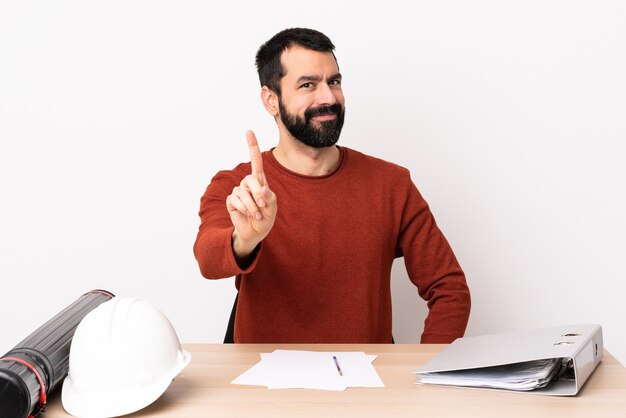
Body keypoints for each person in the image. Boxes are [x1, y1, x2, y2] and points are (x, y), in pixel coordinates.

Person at [193, 28, 470, 344]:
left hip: (366, 383)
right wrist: (245, 240)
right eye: (308, 85)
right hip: (263, 384)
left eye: (334, 82)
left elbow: (449, 287)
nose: (328, 97)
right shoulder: (238, 187)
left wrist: (426, 372)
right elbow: (208, 259)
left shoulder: (392, 185)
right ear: (271, 100)